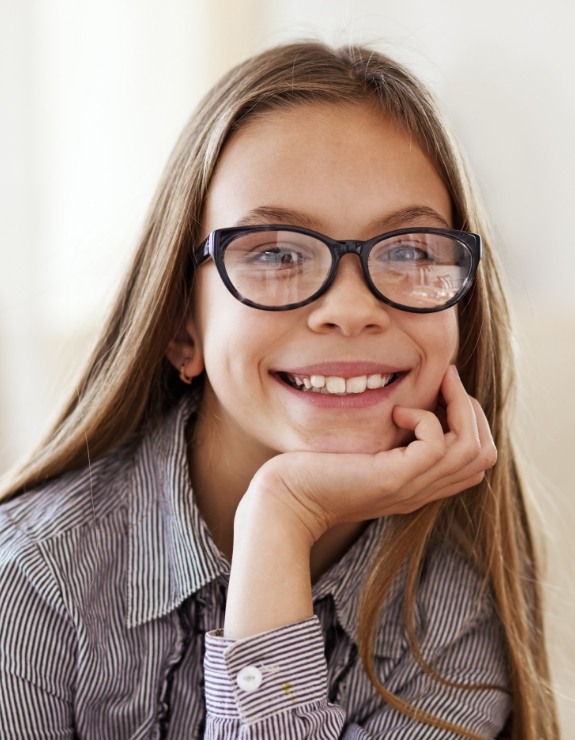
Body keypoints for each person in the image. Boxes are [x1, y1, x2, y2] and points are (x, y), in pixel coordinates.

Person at [0, 41, 559, 739]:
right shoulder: (29, 586)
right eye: (274, 253)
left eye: (409, 250)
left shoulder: (448, 616)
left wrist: (280, 519)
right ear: (182, 326)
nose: (350, 309)